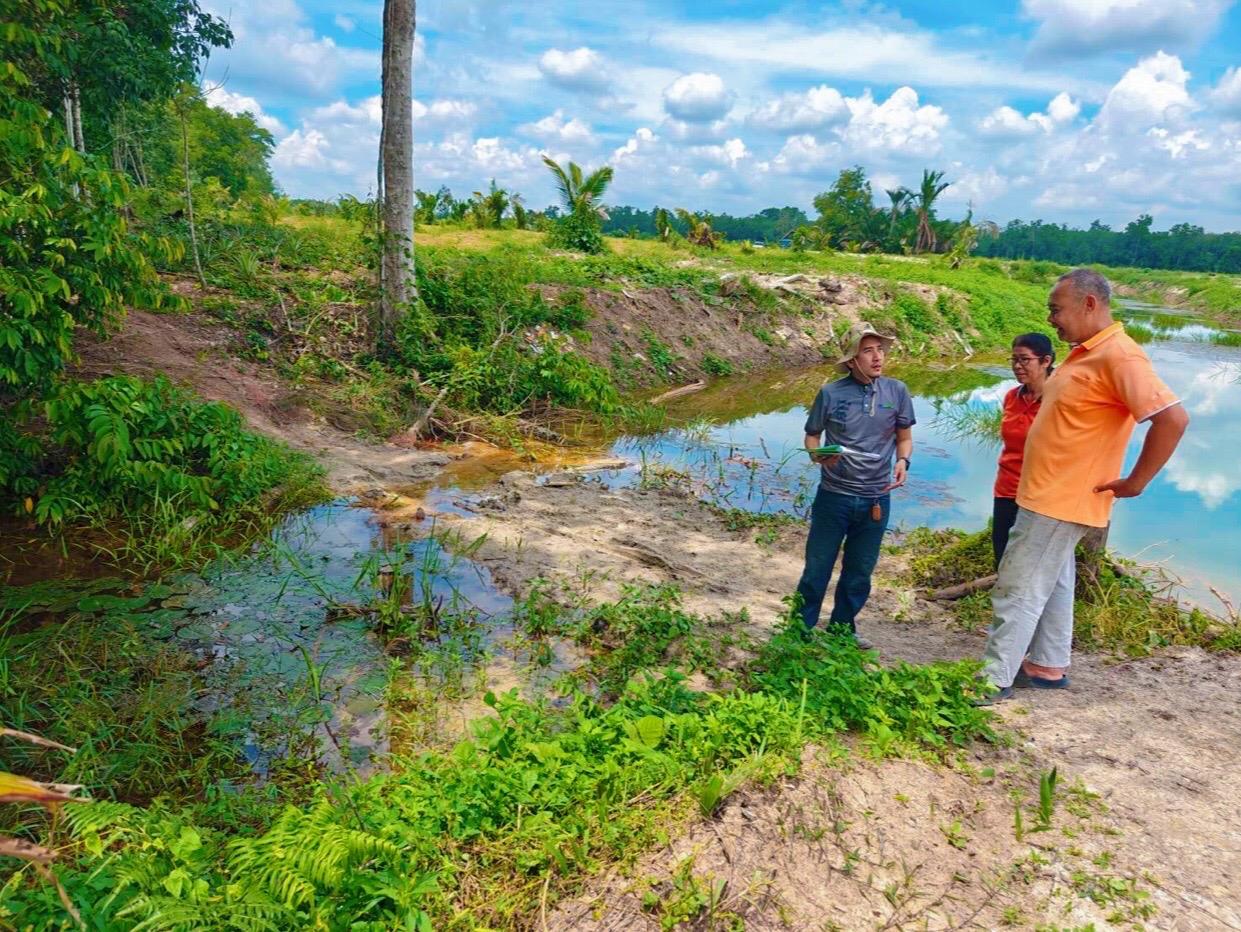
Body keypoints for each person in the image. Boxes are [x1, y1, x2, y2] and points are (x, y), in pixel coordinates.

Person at [978, 269, 1189, 703]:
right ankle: (1047, 667)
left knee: (1018, 586)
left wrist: (1137, 480)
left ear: (1089, 304)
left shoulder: (1120, 356)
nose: (1051, 319)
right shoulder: (1084, 353)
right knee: (1053, 581)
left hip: (1060, 497)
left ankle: (991, 680)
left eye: (1056, 309)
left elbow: (1172, 419)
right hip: (1047, 493)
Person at [796, 322, 915, 648]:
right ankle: (798, 633)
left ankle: (841, 632)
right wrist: (816, 455)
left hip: (876, 499)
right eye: (868, 351)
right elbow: (812, 434)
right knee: (817, 569)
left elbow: (904, 437)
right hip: (834, 497)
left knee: (860, 573)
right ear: (852, 360)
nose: (878, 357)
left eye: (880, 350)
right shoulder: (830, 393)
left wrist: (903, 462)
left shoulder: (897, 391)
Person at [992, 333, 1055, 566]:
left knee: (1032, 566)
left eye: (1025, 360)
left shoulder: (1059, 399)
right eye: (1014, 360)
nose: (1017, 366)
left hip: (1041, 494)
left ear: (1045, 361)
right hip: (1006, 489)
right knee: (1003, 558)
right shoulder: (1011, 397)